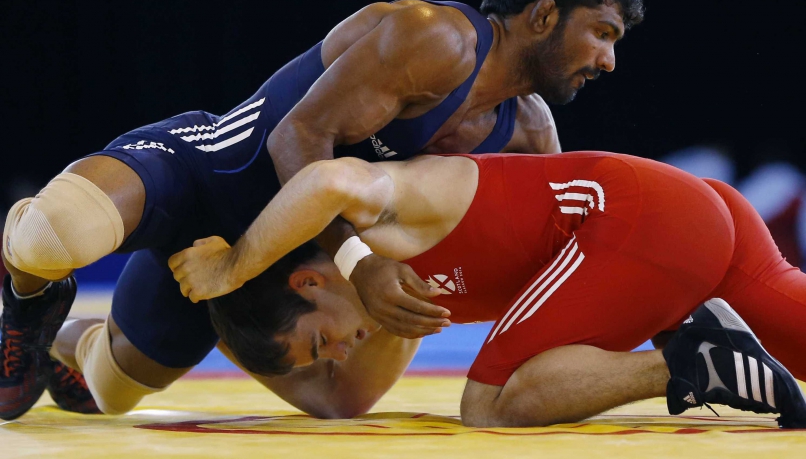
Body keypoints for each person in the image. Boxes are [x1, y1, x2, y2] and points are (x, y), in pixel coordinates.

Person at [1, 0, 644, 419]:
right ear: (541, 16)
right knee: (56, 238)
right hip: (206, 176)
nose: (609, 61)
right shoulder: (438, 39)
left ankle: (69, 339)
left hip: (279, 259)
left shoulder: (530, 136)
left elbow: (540, 257)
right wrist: (363, 262)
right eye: (602, 33)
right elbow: (297, 136)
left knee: (118, 393)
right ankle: (29, 299)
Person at [174, 151, 806, 428]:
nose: (340, 356)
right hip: (681, 217)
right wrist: (224, 323)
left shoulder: (372, 223)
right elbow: (345, 403)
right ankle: (712, 352)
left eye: (320, 344)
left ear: (309, 280)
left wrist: (231, 272)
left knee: (489, 403)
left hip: (637, 216)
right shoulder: (387, 310)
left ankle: (695, 362)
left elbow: (323, 179)